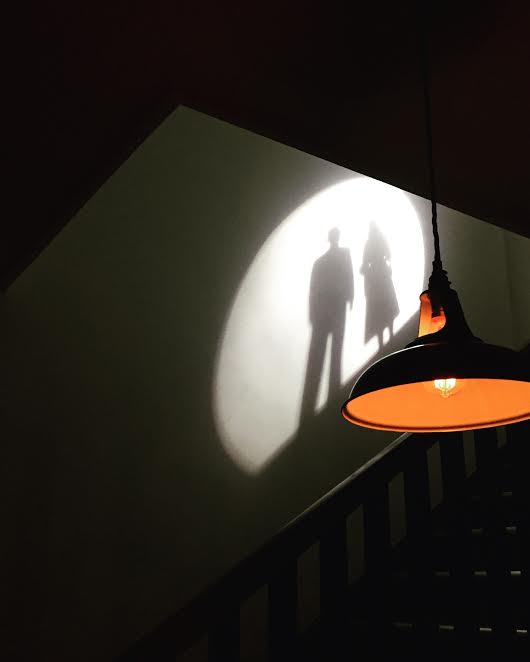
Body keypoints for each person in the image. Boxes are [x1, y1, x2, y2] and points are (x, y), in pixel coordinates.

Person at [300, 227, 353, 419]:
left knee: (331, 351)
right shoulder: (322, 261)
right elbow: (314, 289)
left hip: (333, 307)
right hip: (329, 308)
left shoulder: (325, 260)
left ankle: (333, 396)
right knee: (326, 352)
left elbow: (348, 276)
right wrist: (350, 296)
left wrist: (350, 296)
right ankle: (331, 397)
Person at [360, 221, 399, 349]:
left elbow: (365, 263)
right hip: (381, 274)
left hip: (376, 276)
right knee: (387, 305)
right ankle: (390, 336)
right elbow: (389, 254)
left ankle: (382, 342)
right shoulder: (380, 240)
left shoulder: (369, 243)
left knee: (379, 307)